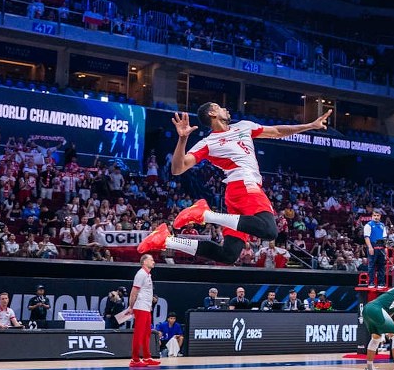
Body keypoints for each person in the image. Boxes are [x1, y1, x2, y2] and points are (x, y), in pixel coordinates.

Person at [137, 106, 332, 263]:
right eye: (221, 107)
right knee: (270, 231)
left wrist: (310, 125)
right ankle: (203, 214)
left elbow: (277, 131)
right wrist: (182, 139)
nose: (226, 109)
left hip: (239, 193)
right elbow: (178, 169)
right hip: (243, 184)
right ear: (213, 113)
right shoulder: (208, 143)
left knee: (228, 255)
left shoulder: (244, 126)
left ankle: (168, 239)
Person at [125, 253, 160, 368]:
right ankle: (135, 360)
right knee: (139, 334)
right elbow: (133, 292)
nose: (154, 262)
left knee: (146, 334)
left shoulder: (148, 274)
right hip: (140, 307)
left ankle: (147, 357)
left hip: (146, 307)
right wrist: (131, 307)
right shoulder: (141, 274)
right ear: (144, 262)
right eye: (151, 260)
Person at [364, 209, 387, 288]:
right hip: (372, 246)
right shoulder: (368, 225)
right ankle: (371, 283)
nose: (376, 217)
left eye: (377, 216)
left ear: (380, 216)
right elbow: (366, 237)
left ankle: (381, 283)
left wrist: (385, 248)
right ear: (372, 216)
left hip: (381, 247)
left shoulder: (382, 225)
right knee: (372, 265)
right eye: (374, 215)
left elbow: (384, 238)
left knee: (381, 265)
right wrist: (370, 247)